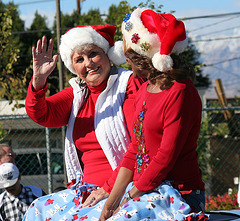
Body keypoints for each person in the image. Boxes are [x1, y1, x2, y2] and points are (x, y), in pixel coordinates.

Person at [23, 24, 144, 220]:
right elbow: (41, 114)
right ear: (74, 68)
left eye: (93, 54)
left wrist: (108, 188)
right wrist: (39, 81)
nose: (88, 63)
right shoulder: (78, 93)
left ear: (108, 55)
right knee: (37, 209)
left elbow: (138, 146)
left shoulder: (128, 84)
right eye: (79, 59)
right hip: (87, 190)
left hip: (121, 188)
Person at [97, 8, 206, 220]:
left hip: (180, 194)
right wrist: (111, 203)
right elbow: (135, 150)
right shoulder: (144, 90)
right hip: (144, 192)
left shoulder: (180, 91)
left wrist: (129, 198)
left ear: (140, 57)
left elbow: (165, 157)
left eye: (128, 55)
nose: (125, 60)